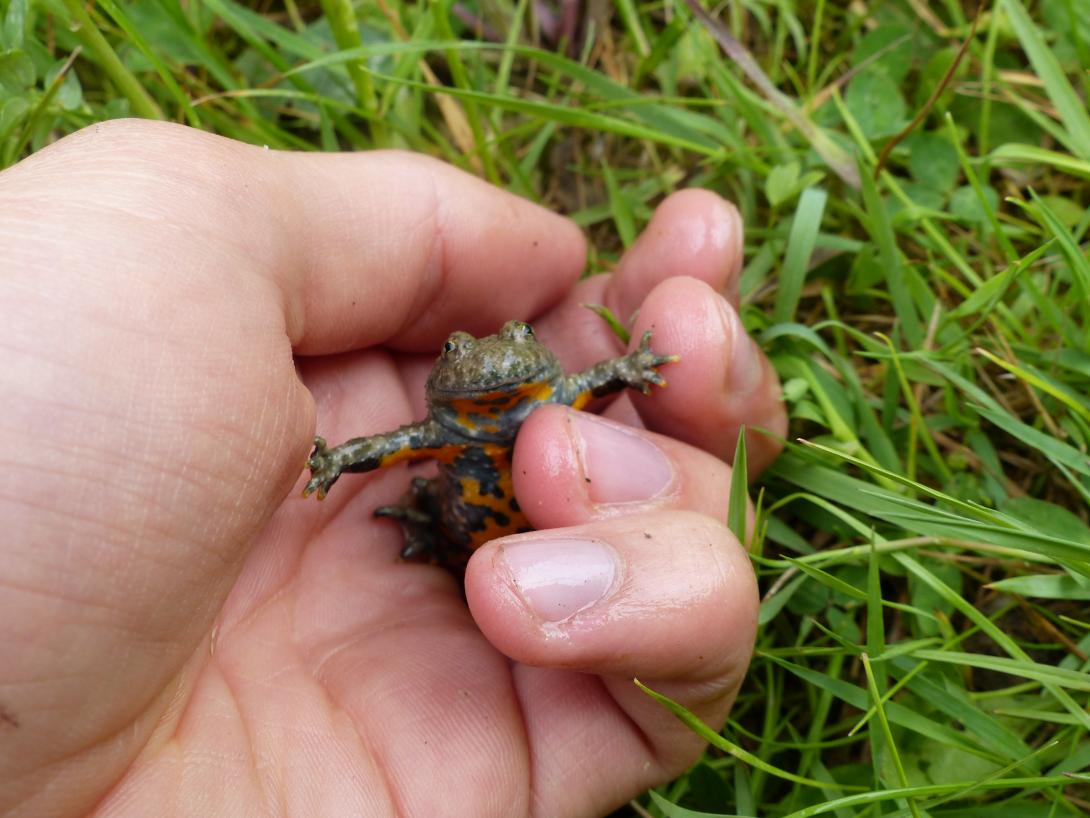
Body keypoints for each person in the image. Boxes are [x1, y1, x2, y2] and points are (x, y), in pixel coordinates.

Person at [0, 119, 787, 817]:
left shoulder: (559, 394)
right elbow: (388, 445)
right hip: (457, 542)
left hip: (507, 562)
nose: (491, 362)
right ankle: (429, 530)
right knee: (435, 496)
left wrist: (643, 365)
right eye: (462, 354)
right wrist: (332, 458)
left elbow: (602, 377)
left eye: (510, 341)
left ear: (531, 351)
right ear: (450, 376)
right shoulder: (449, 430)